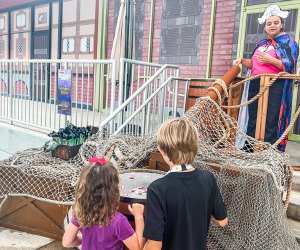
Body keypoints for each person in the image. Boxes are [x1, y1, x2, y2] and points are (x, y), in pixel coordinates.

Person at [143, 118, 228, 250]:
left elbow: (154, 245)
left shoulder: (157, 189)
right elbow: (222, 221)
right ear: (195, 147)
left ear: (161, 150)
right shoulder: (208, 178)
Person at [233, 4, 299, 152]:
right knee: (253, 117)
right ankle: (249, 148)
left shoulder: (289, 42)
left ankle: (270, 152)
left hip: (276, 84)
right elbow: (254, 64)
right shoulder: (261, 43)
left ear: (281, 24)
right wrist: (242, 61)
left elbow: (290, 66)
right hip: (256, 82)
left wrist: (271, 60)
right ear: (265, 27)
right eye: (269, 23)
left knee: (271, 119)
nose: (272, 25)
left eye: (276, 22)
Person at [62, 157, 145, 250]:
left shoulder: (80, 214)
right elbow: (137, 248)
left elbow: (67, 242)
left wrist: (86, 239)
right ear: (113, 191)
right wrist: (139, 217)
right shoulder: (118, 221)